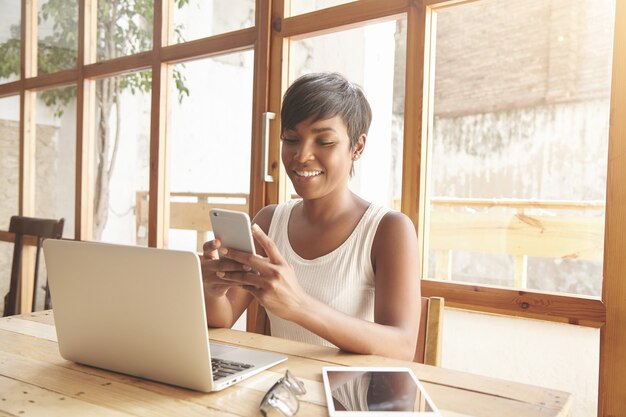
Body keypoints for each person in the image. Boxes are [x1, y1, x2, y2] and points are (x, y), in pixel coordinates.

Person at [201, 72, 420, 361]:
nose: (301, 155)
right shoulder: (267, 222)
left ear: (357, 147)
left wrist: (299, 305)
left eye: (325, 142)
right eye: (291, 139)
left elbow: (402, 346)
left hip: (347, 397)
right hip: (282, 390)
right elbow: (222, 320)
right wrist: (212, 290)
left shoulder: (388, 229)